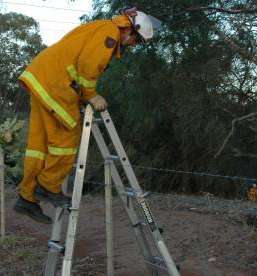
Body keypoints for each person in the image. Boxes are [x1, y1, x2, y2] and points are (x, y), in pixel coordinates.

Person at [13, 8, 157, 224]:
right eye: (137, 40)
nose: (134, 45)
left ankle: (26, 197)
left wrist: (80, 95)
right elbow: (88, 66)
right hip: (56, 83)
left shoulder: (100, 27)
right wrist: (91, 95)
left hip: (42, 78)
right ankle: (47, 187)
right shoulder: (109, 34)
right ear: (128, 30)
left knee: (39, 145)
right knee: (68, 137)